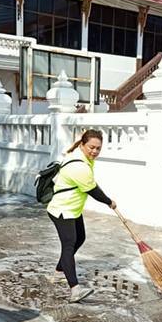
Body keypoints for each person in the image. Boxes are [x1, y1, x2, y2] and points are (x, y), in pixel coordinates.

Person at [46, 130, 116, 303]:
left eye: (98, 148)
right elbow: (93, 191)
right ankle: (75, 290)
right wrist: (109, 201)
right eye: (92, 147)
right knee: (69, 245)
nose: (95, 151)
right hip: (62, 210)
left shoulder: (82, 158)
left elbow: (90, 183)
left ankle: (59, 273)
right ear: (83, 144)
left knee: (80, 238)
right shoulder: (79, 166)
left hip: (73, 209)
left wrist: (105, 197)